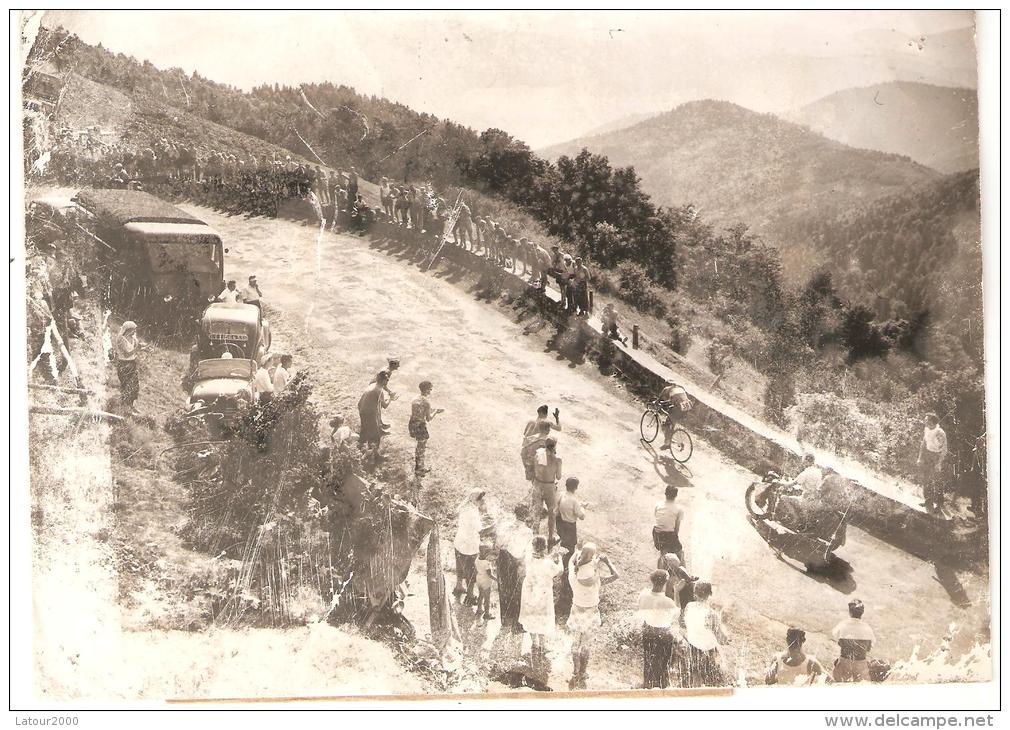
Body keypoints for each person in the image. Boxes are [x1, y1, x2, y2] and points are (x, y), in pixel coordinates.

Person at [566, 543, 619, 690]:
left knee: (575, 643)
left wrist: (576, 554)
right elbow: (616, 575)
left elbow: (571, 563)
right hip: (591, 612)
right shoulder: (596, 580)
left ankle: (575, 671)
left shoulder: (573, 575)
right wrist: (607, 562)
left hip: (576, 610)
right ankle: (583, 672)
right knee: (586, 644)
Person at [519, 535, 564, 671]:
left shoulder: (528, 557)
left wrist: (551, 555)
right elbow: (559, 571)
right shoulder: (548, 564)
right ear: (545, 548)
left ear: (533, 547)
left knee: (532, 614)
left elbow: (539, 558)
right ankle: (543, 644)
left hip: (530, 590)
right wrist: (559, 558)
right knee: (543, 616)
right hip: (543, 593)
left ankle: (535, 643)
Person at [681, 581, 730, 687]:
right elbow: (721, 640)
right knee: (716, 682)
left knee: (696, 681)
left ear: (695, 594)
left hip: (691, 648)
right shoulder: (712, 614)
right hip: (707, 651)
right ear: (710, 594)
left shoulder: (689, 606)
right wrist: (727, 639)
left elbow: (684, 624)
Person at [638, 569, 680, 689]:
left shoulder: (643, 595)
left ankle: (647, 684)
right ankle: (662, 686)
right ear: (666, 582)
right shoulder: (667, 601)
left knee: (649, 659)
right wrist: (676, 592)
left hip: (647, 630)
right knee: (663, 662)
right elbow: (677, 614)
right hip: (663, 633)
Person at [497, 503, 534, 633]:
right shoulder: (528, 532)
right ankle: (516, 623)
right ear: (526, 516)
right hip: (516, 561)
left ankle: (505, 620)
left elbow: (498, 544)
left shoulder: (505, 526)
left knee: (504, 588)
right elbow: (527, 552)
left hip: (502, 558)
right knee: (516, 591)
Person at [454, 489, 487, 606]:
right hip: (469, 546)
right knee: (471, 572)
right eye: (481, 499)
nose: (482, 501)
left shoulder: (464, 507)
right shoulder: (473, 512)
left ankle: (458, 586)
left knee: (460, 566)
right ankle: (470, 596)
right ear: (476, 500)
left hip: (459, 541)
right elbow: (480, 530)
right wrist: (492, 527)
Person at [831, 599, 875, 683]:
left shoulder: (842, 625)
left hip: (845, 662)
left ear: (850, 612)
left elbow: (836, 639)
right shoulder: (867, 628)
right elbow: (869, 647)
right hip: (861, 664)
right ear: (862, 613)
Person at [408, 380, 443, 476]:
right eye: (430, 389)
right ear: (427, 390)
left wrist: (432, 409)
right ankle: (419, 469)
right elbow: (429, 418)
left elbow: (420, 410)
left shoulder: (415, 399)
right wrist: (435, 411)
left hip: (412, 423)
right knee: (421, 448)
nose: (430, 391)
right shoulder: (427, 402)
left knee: (419, 446)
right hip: (420, 426)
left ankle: (418, 467)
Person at [532, 438, 563, 546]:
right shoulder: (557, 459)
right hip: (549, 486)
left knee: (536, 511)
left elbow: (534, 469)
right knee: (551, 512)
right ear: (555, 446)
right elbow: (559, 477)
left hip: (537, 484)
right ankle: (550, 537)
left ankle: (534, 536)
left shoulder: (538, 454)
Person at [917, 413, 949, 514]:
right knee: (926, 480)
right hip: (927, 455)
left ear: (932, 422)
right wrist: (920, 457)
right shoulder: (926, 429)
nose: (925, 422)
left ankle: (939, 505)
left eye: (927, 420)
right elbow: (923, 443)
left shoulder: (940, 433)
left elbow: (944, 450)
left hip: (937, 457)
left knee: (937, 481)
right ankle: (928, 502)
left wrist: (939, 463)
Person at [520, 405, 561, 481]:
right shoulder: (547, 422)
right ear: (546, 414)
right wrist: (557, 418)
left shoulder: (531, 421)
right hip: (539, 447)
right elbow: (559, 428)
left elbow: (524, 434)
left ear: (538, 412)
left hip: (529, 446)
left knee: (532, 473)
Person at [357, 371, 391, 452]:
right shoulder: (379, 390)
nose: (387, 381)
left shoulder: (372, 385)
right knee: (375, 436)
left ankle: (361, 450)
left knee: (364, 432)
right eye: (387, 379)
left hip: (362, 409)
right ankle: (375, 456)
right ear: (383, 381)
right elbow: (385, 406)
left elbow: (374, 400)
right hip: (369, 413)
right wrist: (391, 399)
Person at [653, 485, 685, 565]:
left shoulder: (658, 504)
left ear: (665, 493)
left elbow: (657, 518)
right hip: (668, 534)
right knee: (680, 551)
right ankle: (683, 571)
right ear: (676, 496)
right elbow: (677, 527)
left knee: (663, 551)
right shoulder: (679, 509)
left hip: (657, 534)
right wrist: (674, 538)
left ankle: (662, 567)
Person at [114, 321, 141, 412]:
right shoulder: (121, 339)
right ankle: (125, 407)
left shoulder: (133, 339)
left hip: (132, 364)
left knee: (134, 386)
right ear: (128, 330)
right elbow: (126, 354)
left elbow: (134, 351)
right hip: (124, 364)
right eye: (133, 330)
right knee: (126, 386)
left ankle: (131, 406)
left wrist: (144, 348)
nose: (134, 332)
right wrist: (137, 349)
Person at [658, 379, 691, 450]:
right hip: (686, 410)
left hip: (678, 410)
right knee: (671, 424)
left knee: (666, 425)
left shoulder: (668, 390)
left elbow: (667, 401)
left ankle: (667, 444)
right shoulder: (680, 388)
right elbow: (679, 400)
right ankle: (670, 438)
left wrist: (660, 402)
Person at [474, 542, 497, 620]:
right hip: (486, 581)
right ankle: (487, 614)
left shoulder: (477, 559)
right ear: (486, 553)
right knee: (487, 598)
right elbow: (489, 574)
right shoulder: (487, 563)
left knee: (480, 595)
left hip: (479, 578)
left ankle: (479, 609)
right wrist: (497, 580)